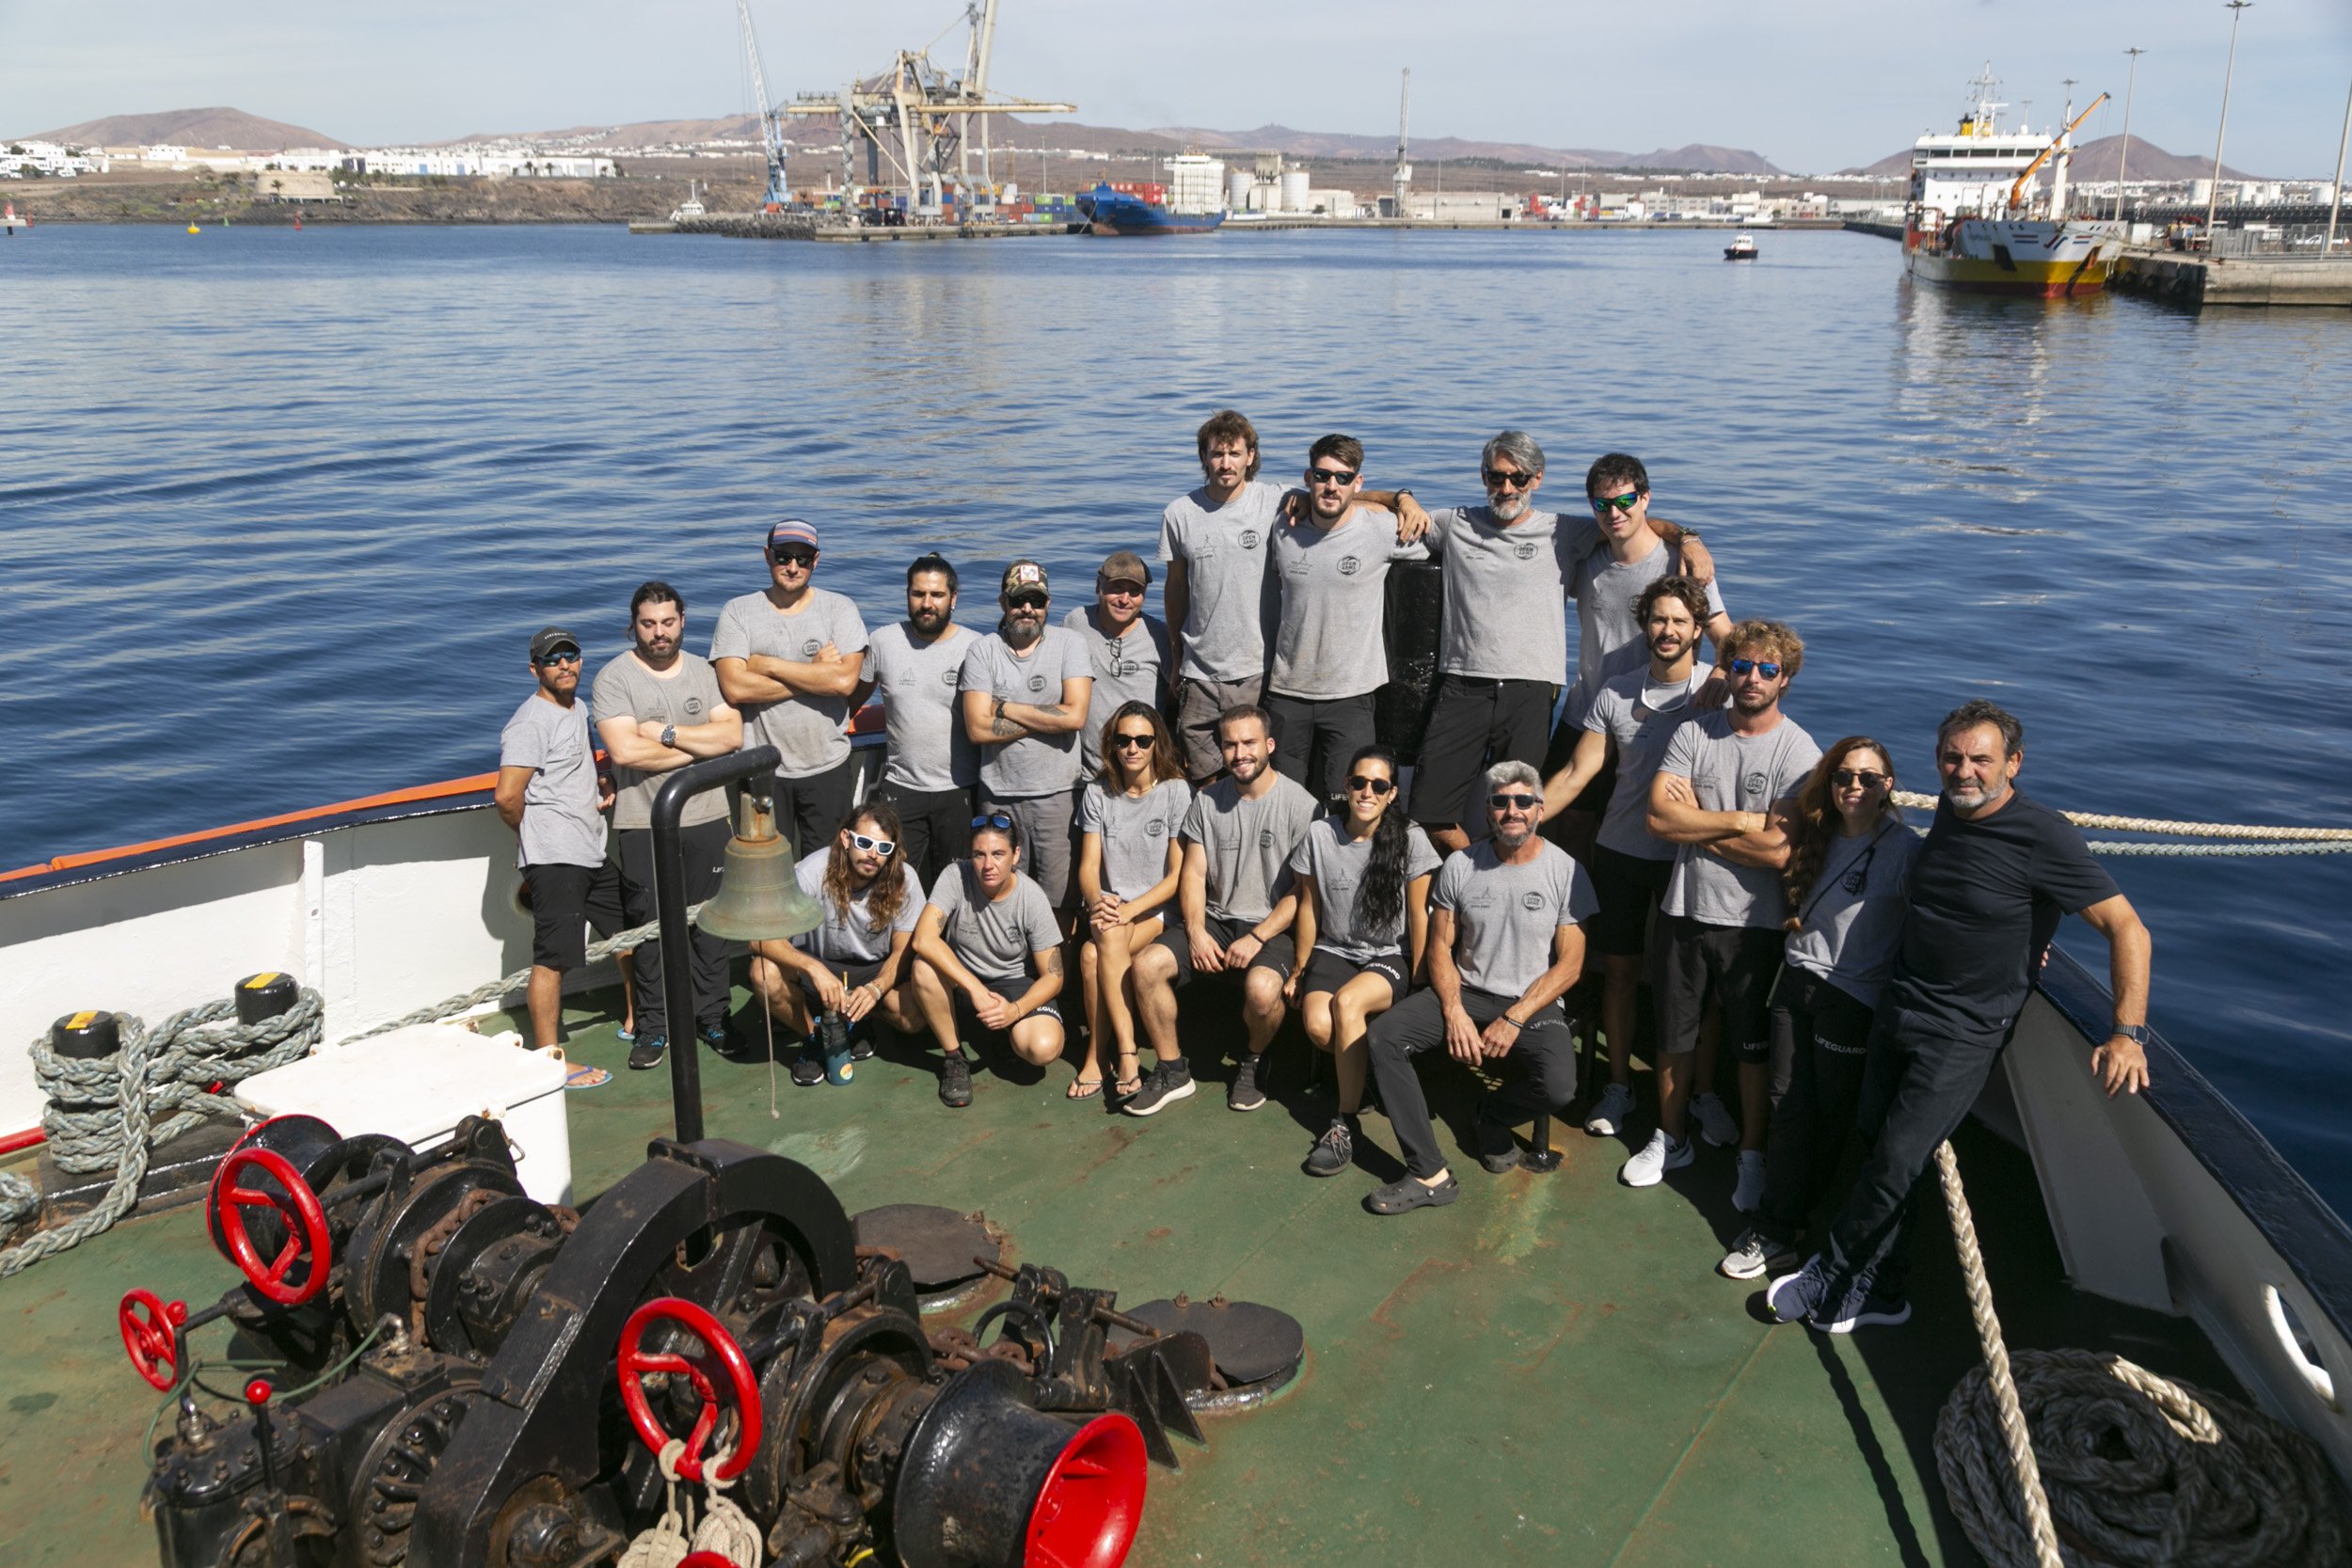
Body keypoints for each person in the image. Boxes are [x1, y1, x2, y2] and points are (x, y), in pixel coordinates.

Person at [1769, 702, 2152, 1332]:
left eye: (1980, 759)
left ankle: (1829, 1272)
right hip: (1901, 1002)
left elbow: (2127, 928)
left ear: (2014, 763)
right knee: (1878, 1142)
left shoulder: (2044, 834)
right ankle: (1884, 1285)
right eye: (1953, 757)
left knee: (1897, 1158)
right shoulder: (1951, 808)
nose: (1964, 771)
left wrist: (2126, 1033)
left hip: (1964, 1032)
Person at [1414, 436, 1712, 853]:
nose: (1506, 487)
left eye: (1517, 477)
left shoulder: (1565, 532)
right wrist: (1401, 498)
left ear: (1536, 479)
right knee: (1449, 813)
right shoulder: (1456, 522)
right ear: (1483, 477)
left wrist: (1689, 537)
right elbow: (1379, 520)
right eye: (1496, 477)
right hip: (1506, 693)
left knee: (1540, 812)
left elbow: (1635, 521)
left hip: (1545, 695)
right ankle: (1478, 871)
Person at [1629, 620, 1820, 1197]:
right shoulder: (1694, 733)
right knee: (1673, 1036)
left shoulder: (1799, 751)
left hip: (1754, 926)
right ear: (1728, 671)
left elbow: (1780, 850)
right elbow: (1659, 819)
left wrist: (1698, 826)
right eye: (1741, 666)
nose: (1753, 678)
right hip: (1684, 911)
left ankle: (1752, 1152)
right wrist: (1740, 820)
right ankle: (1671, 1136)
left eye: (1767, 669)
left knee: (1752, 1048)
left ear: (1785, 679)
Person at [1719, 738, 1920, 1280]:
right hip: (1796, 984)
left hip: (1851, 999)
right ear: (1830, 784)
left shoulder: (1904, 850)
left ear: (1888, 787)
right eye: (1844, 777)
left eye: (1869, 778)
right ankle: (1778, 1225)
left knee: (1829, 1116)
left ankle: (1789, 1220)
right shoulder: (1816, 836)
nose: (1855, 786)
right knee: (1788, 1103)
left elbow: (1948, 909)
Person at [1360, 762, 1597, 1214]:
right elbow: (1439, 947)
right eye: (1500, 801)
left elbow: (1571, 964)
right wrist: (1453, 1011)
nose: (1512, 810)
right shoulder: (1461, 865)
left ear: (1539, 810)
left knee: (1560, 1087)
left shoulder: (1567, 871)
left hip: (1530, 999)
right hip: (1466, 990)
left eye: (1523, 801)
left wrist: (1515, 1016)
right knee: (1384, 1036)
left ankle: (1493, 1113)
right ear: (1488, 812)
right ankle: (1429, 1172)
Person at [1540, 577, 1717, 1141]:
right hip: (1619, 851)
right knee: (1618, 973)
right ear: (1645, 626)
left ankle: (1701, 1093)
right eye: (1658, 620)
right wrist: (1522, 817)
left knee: (1687, 986)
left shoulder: (1719, 689)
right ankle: (1618, 1085)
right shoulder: (1616, 691)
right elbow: (1577, 773)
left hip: (1687, 862)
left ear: (1697, 630)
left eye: (1679, 622)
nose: (1667, 631)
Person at [1158, 410, 1421, 781]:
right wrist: (1175, 651)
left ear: (1251, 456)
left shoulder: (1276, 500)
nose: (1225, 463)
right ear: (1204, 457)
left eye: (1235, 453)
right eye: (1217, 454)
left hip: (1259, 670)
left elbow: (1340, 497)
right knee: (1204, 780)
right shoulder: (1178, 513)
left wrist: (1402, 498)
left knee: (1255, 778)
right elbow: (1176, 588)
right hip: (1198, 671)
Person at [1123, 705, 1318, 1117]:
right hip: (1214, 919)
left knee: (1263, 992)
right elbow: (1192, 875)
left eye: (1249, 742)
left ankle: (1254, 1060)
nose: (1239, 753)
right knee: (1146, 967)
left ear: (1269, 745)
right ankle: (1173, 1069)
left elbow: (1302, 894)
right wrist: (1195, 931)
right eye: (1230, 744)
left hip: (1271, 928)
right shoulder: (1207, 800)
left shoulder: (1302, 806)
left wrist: (1258, 936)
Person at [591, 583, 745, 1070]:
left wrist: (666, 733)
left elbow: (734, 735)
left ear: (683, 620)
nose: (659, 633)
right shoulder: (613, 679)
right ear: (632, 625)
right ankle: (655, 1027)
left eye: (668, 622)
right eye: (648, 624)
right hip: (641, 822)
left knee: (711, 925)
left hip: (708, 820)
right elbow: (625, 753)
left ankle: (713, 1016)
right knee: (648, 928)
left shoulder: (703, 671)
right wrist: (702, 747)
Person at [1548, 453, 1730, 860]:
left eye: (1625, 502)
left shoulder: (1680, 564)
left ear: (1645, 498)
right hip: (1586, 710)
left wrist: (1720, 674)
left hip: (1654, 720)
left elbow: (1726, 637)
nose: (1615, 513)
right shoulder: (1585, 559)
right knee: (1568, 824)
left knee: (1634, 826)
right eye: (1602, 504)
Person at [1287, 745, 1441, 1178]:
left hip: (1388, 955)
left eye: (1379, 785)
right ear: (1346, 787)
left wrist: (1419, 977)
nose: (1367, 792)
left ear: (1392, 793)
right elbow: (1308, 907)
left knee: (1348, 1006)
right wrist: (1300, 969)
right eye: (1359, 783)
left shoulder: (1410, 838)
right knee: (1319, 1026)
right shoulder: (1321, 835)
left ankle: (1344, 1123)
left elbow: (1418, 914)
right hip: (1334, 949)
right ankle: (1366, 1071)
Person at [1264, 434, 1428, 801]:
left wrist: (1403, 498)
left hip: (1351, 695)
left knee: (1347, 802)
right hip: (1286, 691)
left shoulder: (1382, 531)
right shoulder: (1282, 526)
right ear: (1307, 479)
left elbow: (1446, 542)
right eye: (1322, 476)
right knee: (1283, 801)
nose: (1331, 485)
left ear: (1358, 483)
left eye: (1343, 477)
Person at [495, 626, 621, 1051]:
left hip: (591, 847)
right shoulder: (529, 723)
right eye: (552, 659)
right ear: (535, 670)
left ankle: (639, 1019)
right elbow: (508, 796)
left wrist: (600, 780)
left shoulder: (577, 707)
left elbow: (575, 762)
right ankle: (549, 1057)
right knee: (553, 961)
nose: (564, 665)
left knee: (632, 932)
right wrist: (531, 835)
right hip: (555, 857)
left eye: (570, 655)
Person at [712, 518, 869, 854]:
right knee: (767, 874)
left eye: (803, 557)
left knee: (829, 874)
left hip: (827, 767)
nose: (793, 567)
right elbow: (735, 688)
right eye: (784, 556)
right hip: (761, 772)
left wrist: (766, 664)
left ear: (816, 560)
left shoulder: (840, 609)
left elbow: (843, 681)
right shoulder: (738, 612)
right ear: (767, 556)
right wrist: (815, 674)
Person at [746, 803, 927, 1085]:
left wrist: (876, 989)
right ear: (846, 838)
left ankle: (861, 1021)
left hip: (873, 969)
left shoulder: (905, 878)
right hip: (820, 966)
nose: (873, 855)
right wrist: (813, 968)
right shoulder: (812, 871)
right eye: (865, 843)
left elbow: (905, 949)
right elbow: (758, 939)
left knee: (913, 1017)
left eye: (883, 848)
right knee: (762, 973)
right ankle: (815, 1038)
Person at [1073, 702, 1192, 1103]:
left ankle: (1108, 1054)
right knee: (1094, 952)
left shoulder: (1176, 791)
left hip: (1158, 911)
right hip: (1112, 909)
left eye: (1143, 740)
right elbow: (1089, 868)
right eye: (1123, 740)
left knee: (1100, 946)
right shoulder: (1097, 793)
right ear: (1113, 743)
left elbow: (1177, 878)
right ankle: (1116, 1054)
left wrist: (1127, 909)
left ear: (1157, 742)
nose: (1133, 748)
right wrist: (1097, 900)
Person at [909, 813, 1069, 1108]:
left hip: (1014, 983)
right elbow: (923, 938)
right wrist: (975, 989)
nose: (988, 865)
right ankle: (955, 1059)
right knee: (922, 968)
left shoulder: (1031, 897)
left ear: (1016, 855)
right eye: (979, 855)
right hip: (965, 981)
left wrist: (1016, 1009)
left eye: (998, 854)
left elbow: (1054, 975)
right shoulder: (956, 875)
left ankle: (1004, 1030)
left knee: (1043, 1049)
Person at [958, 560, 1092, 910]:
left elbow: (1075, 716)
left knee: (1058, 901)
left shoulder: (1069, 644)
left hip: (1058, 796)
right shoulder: (983, 650)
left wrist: (1004, 707)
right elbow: (977, 728)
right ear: (1004, 603)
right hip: (998, 796)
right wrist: (1051, 714)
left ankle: (1054, 965)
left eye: (1036, 600)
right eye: (1018, 601)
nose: (1028, 609)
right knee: (999, 896)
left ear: (1048, 604)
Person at [856, 553, 979, 885]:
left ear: (953, 599)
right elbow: (851, 700)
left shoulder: (976, 647)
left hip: (959, 791)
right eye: (918, 594)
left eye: (937, 595)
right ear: (908, 595)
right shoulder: (882, 641)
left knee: (956, 888)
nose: (927, 603)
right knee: (892, 885)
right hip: (901, 788)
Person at [1062, 550, 1170, 776]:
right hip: (1089, 774)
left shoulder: (1159, 635)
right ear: (1098, 585)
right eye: (1116, 589)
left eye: (1135, 592)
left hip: (1143, 772)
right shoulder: (1075, 622)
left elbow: (1175, 699)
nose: (1124, 599)